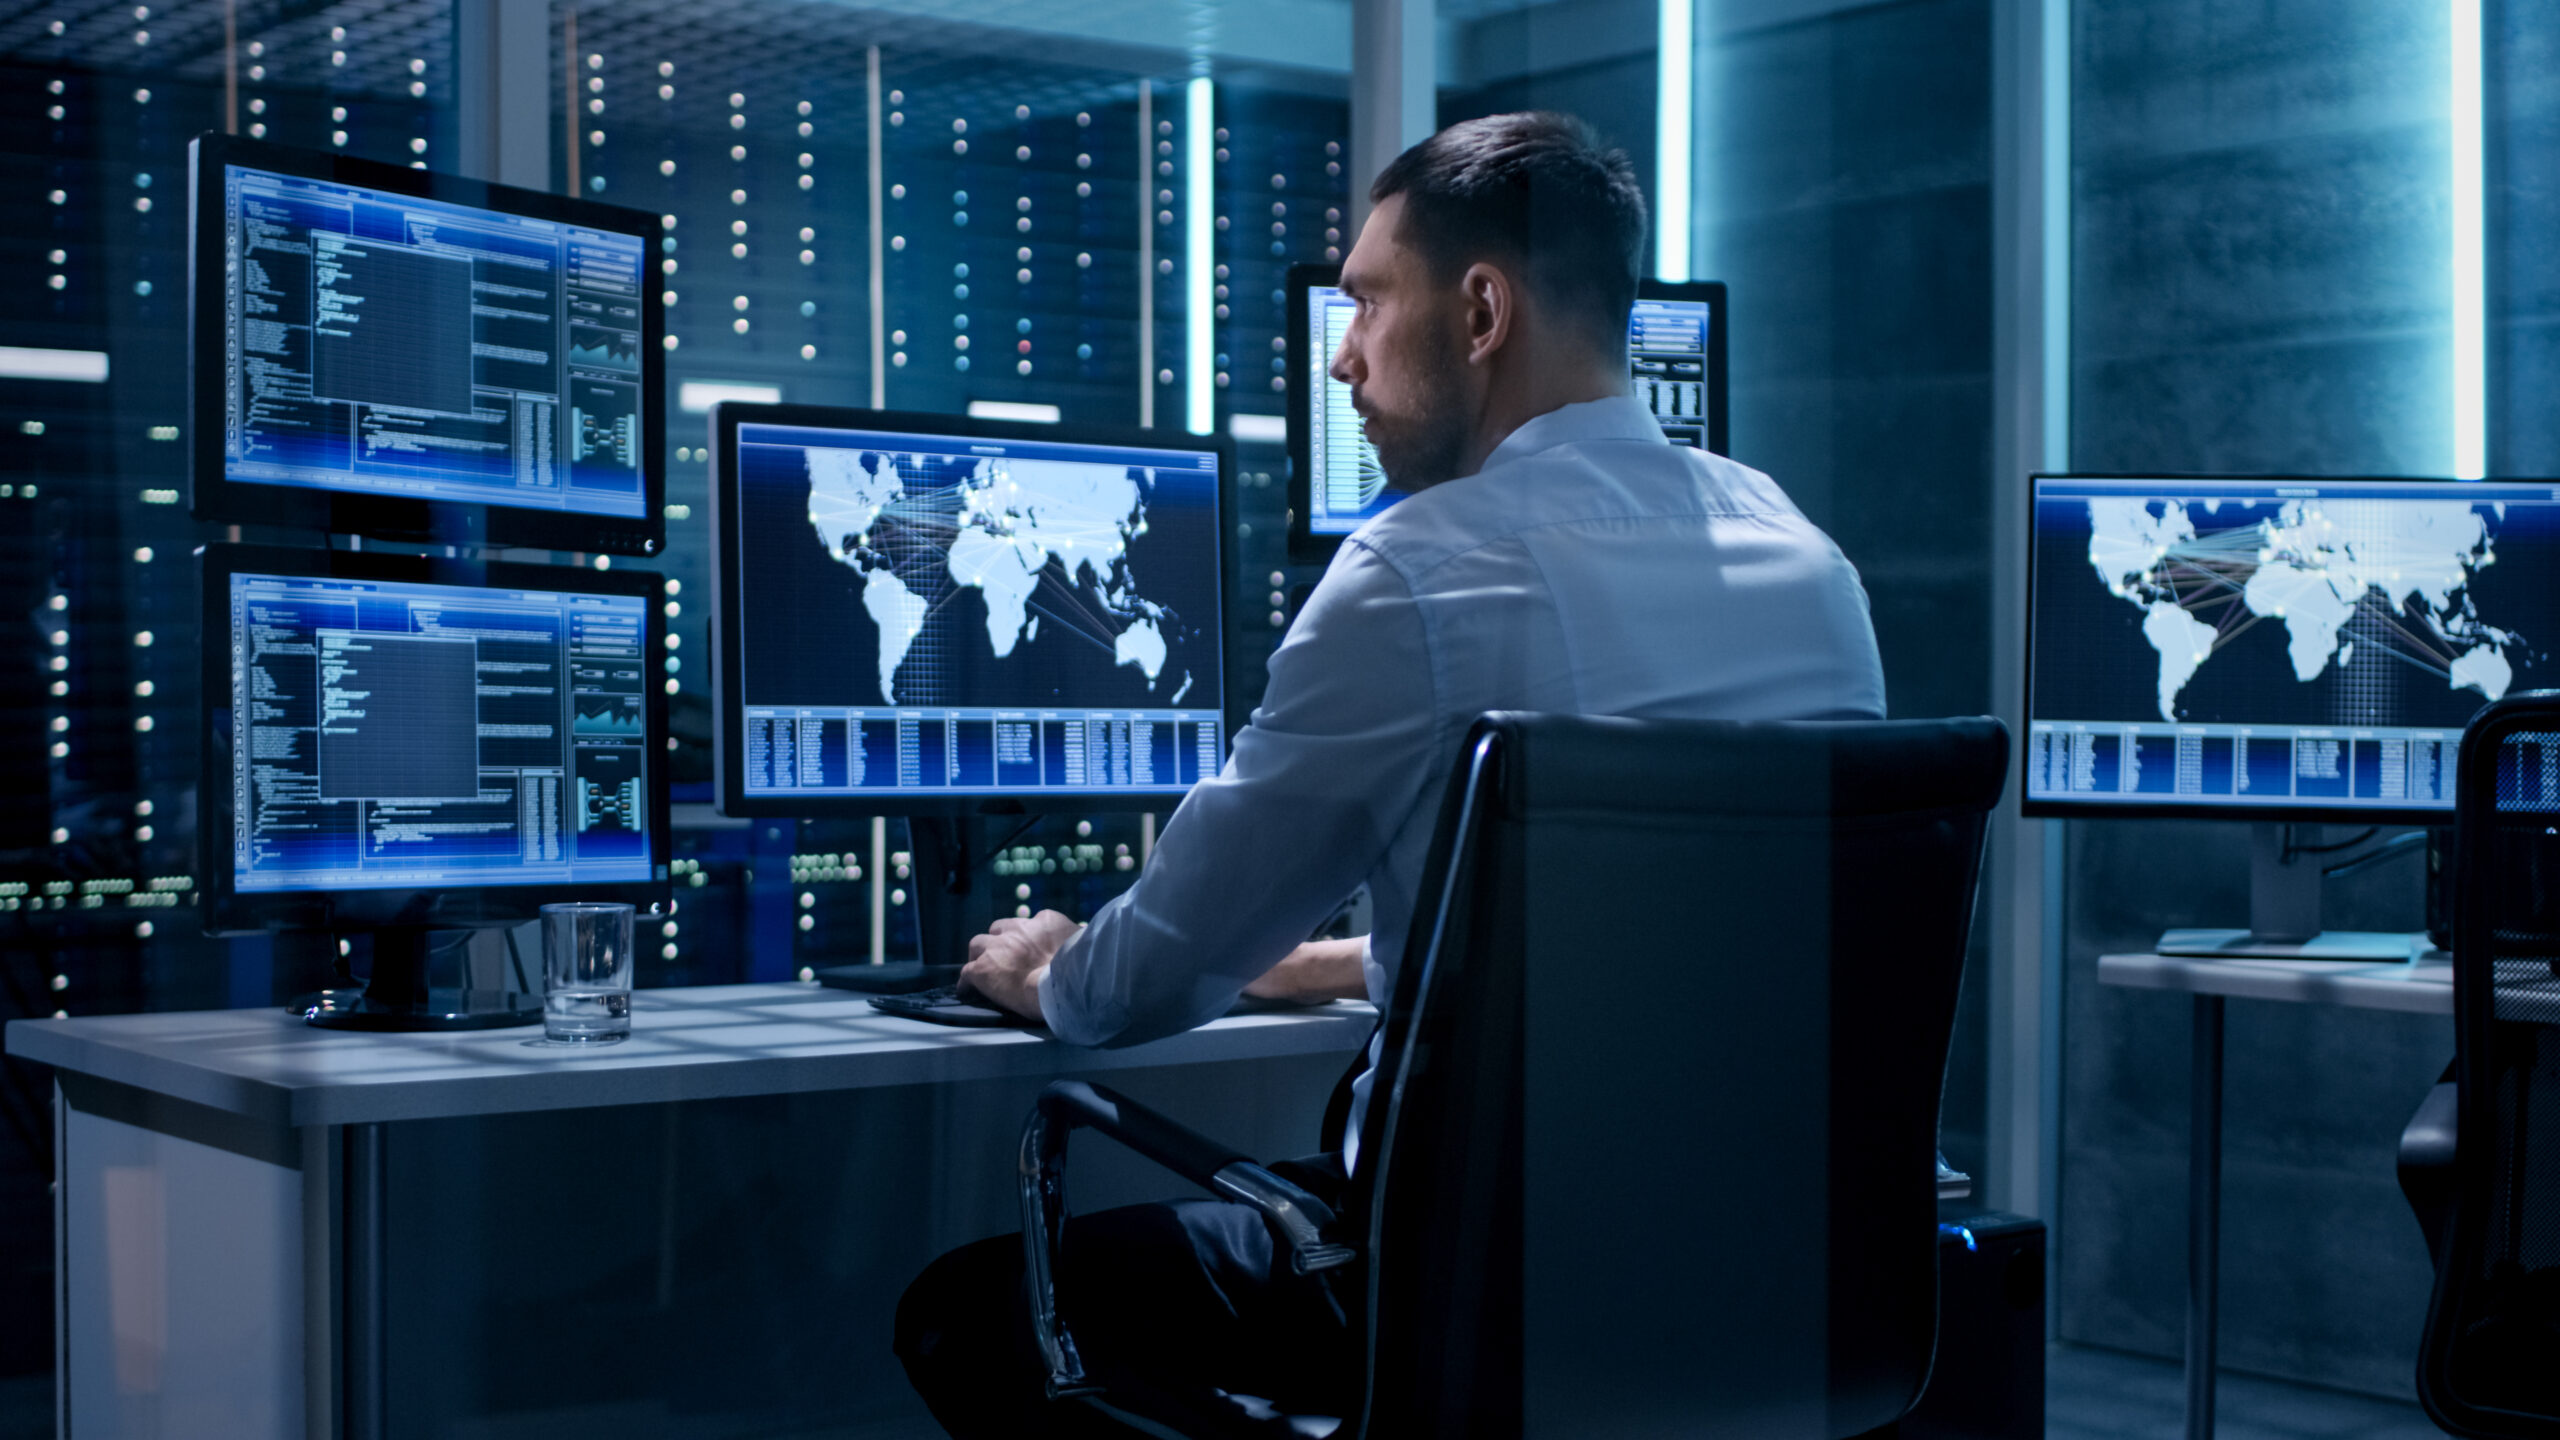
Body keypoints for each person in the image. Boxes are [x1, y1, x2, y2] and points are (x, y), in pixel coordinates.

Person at [894, 110, 1887, 1436]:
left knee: (970, 1315)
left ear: (1480, 311)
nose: (1344, 355)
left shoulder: (1418, 570)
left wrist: (1047, 971)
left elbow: (1144, 981)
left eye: (1365, 302)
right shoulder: (1809, 561)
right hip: (1774, 1279)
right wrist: (1331, 963)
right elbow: (1663, 948)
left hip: (1475, 1291)